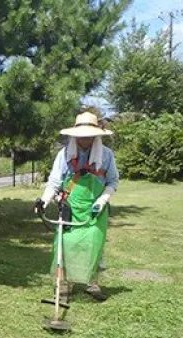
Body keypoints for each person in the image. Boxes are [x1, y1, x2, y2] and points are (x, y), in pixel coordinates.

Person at [35, 111, 119, 302]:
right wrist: (44, 200)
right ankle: (64, 284)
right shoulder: (64, 155)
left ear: (96, 135)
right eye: (81, 136)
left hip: (95, 209)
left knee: (93, 245)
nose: (85, 140)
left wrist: (102, 200)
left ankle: (92, 283)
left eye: (89, 136)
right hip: (70, 208)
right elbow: (54, 182)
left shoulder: (106, 156)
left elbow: (112, 182)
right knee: (65, 245)